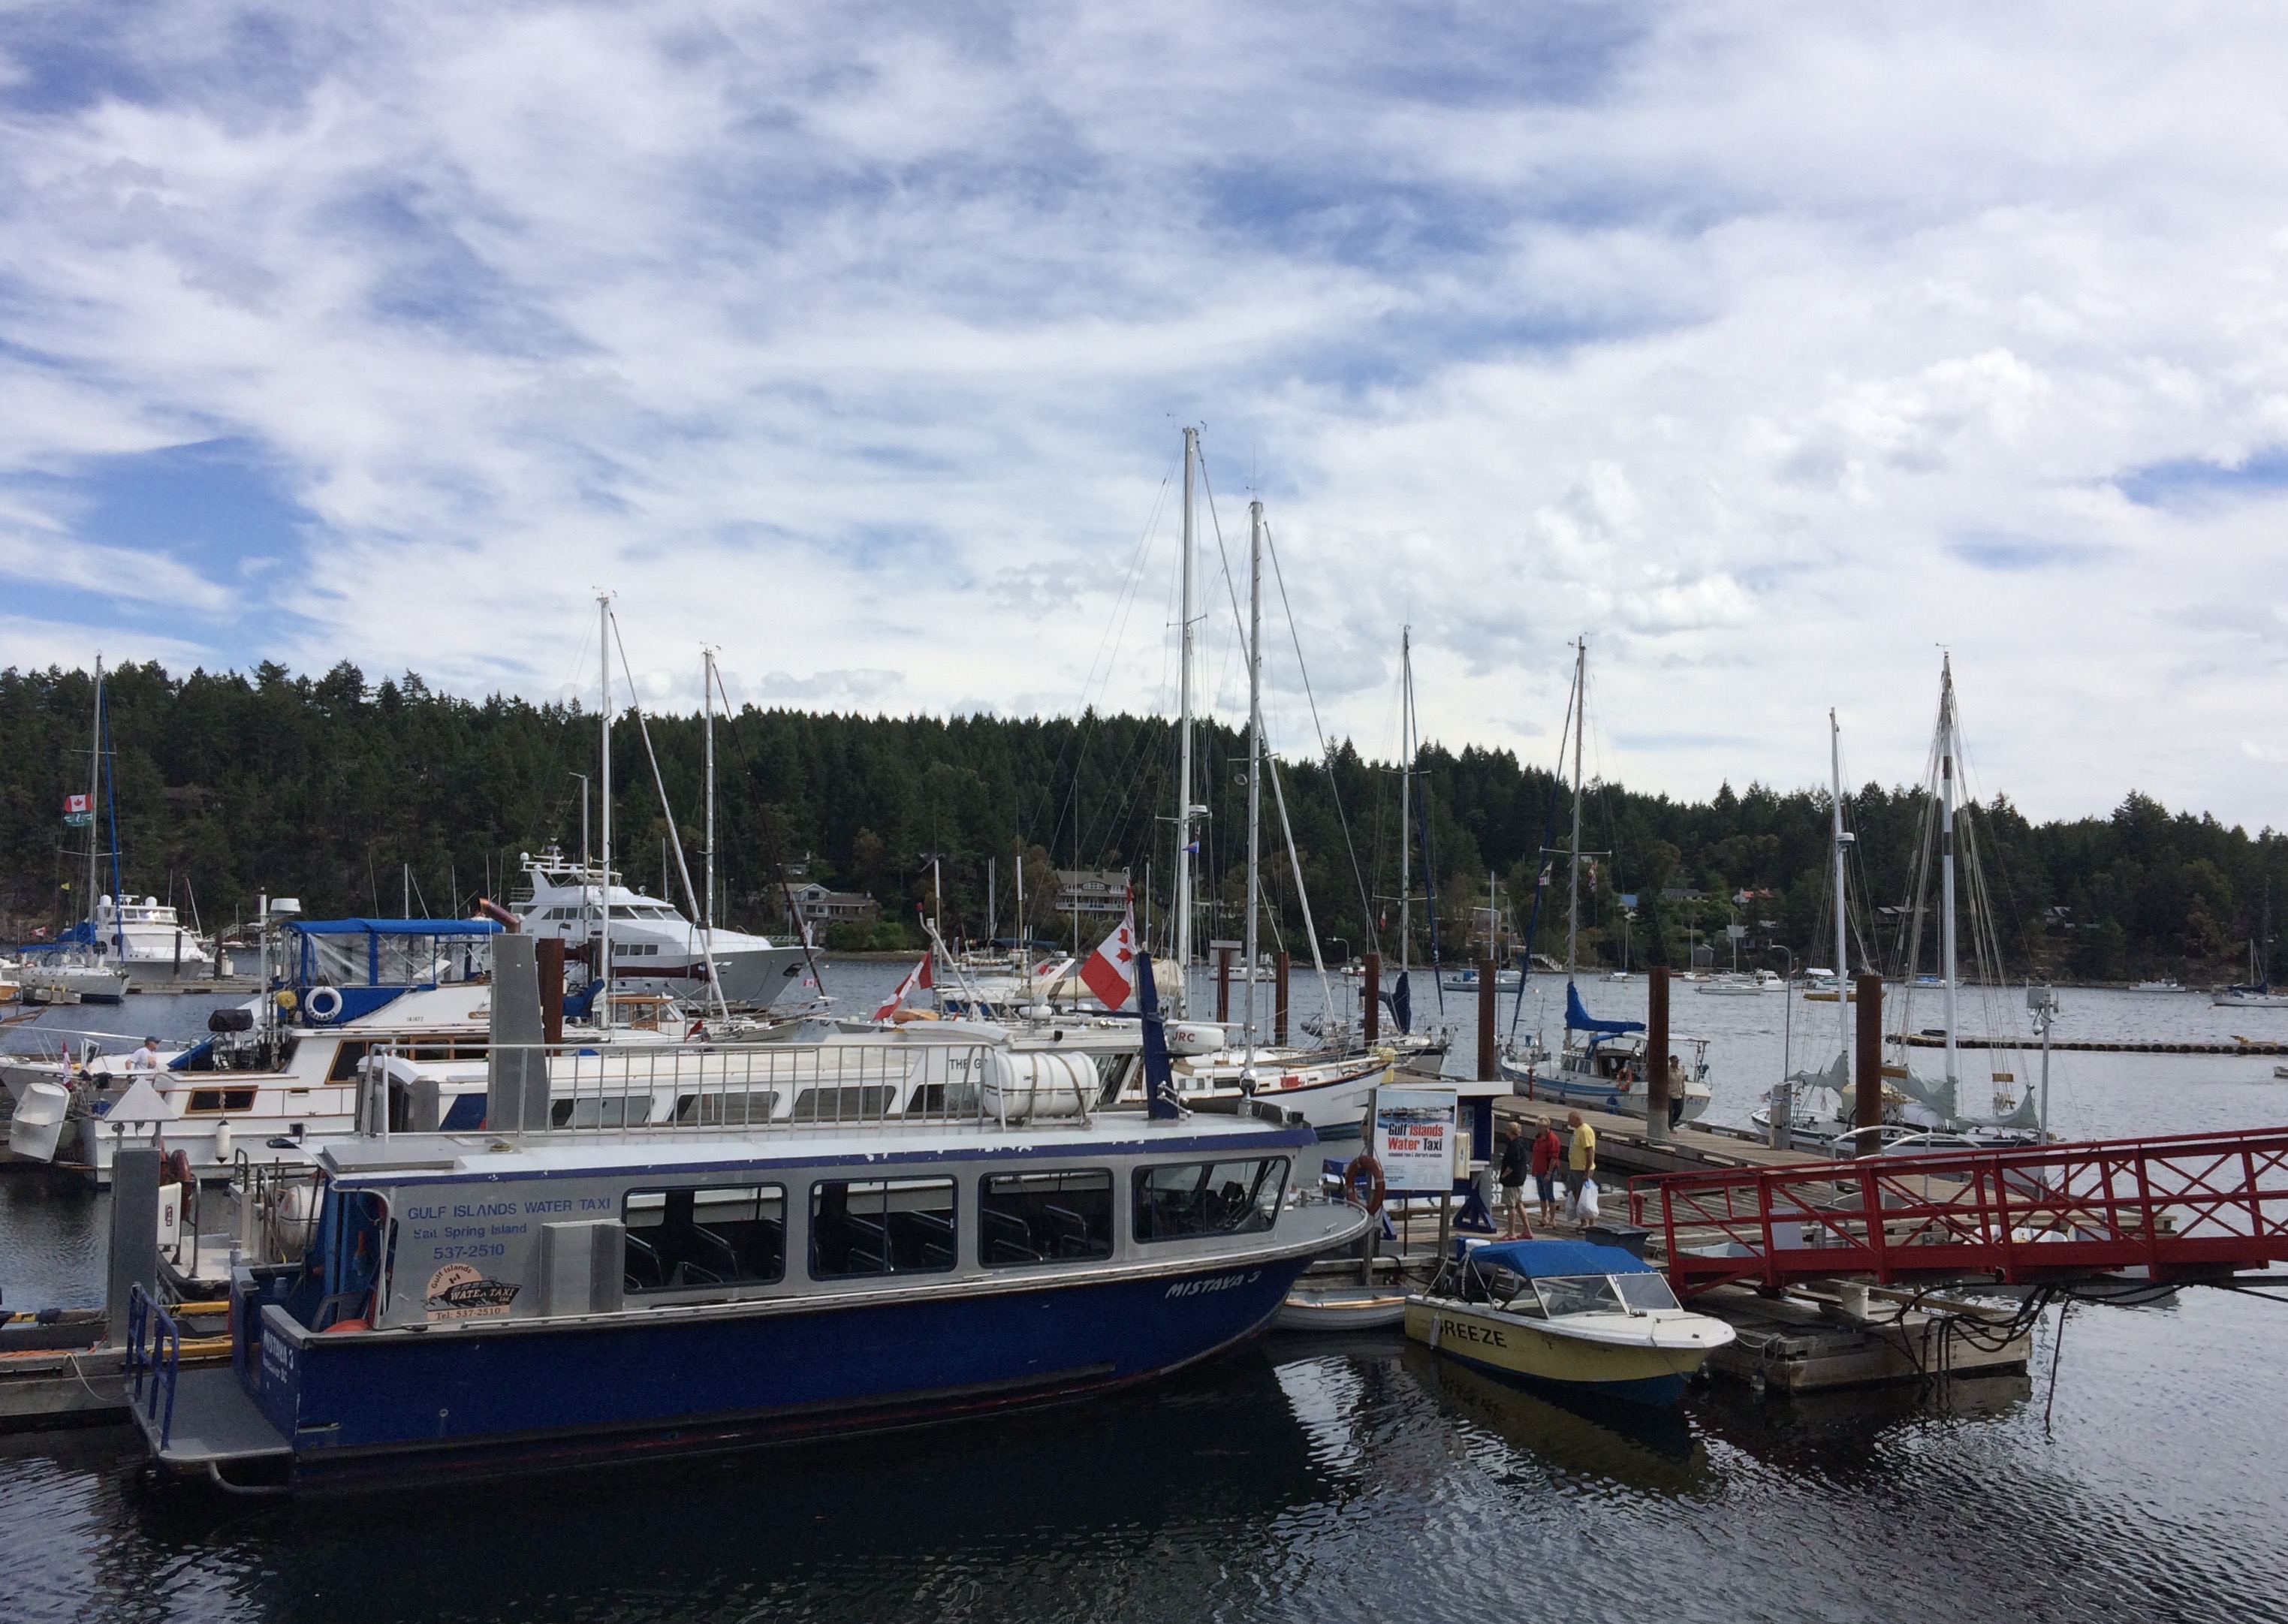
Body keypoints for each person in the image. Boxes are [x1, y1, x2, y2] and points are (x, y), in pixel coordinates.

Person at [1496, 1124, 1531, 1238]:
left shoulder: (1514, 1146)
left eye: (1507, 1129)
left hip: (1512, 1180)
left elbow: (1512, 1163)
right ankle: (1527, 1230)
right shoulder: (1522, 1144)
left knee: (1511, 1206)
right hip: (1520, 1179)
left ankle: (1511, 1233)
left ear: (1511, 1131)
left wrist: (1504, 1176)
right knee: (1519, 1204)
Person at [1530, 1114, 1563, 1227]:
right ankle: (1544, 1217)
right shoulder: (1539, 1138)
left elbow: (1554, 1157)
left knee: (1549, 1194)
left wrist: (1549, 1173)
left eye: (1540, 1126)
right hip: (1539, 1169)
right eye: (1538, 1126)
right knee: (1541, 1194)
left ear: (1546, 1126)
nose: (1538, 1128)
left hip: (1548, 1170)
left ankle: (1553, 1219)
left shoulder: (1553, 1139)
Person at [1566, 1110, 1598, 1225]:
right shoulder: (1577, 1131)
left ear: (1577, 1120)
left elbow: (1590, 1152)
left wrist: (1587, 1171)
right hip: (1574, 1167)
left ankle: (1591, 1222)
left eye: (1570, 1120)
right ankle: (1583, 1220)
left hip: (1582, 1169)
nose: (1568, 1122)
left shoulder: (1585, 1130)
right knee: (1576, 1193)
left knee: (1586, 1196)